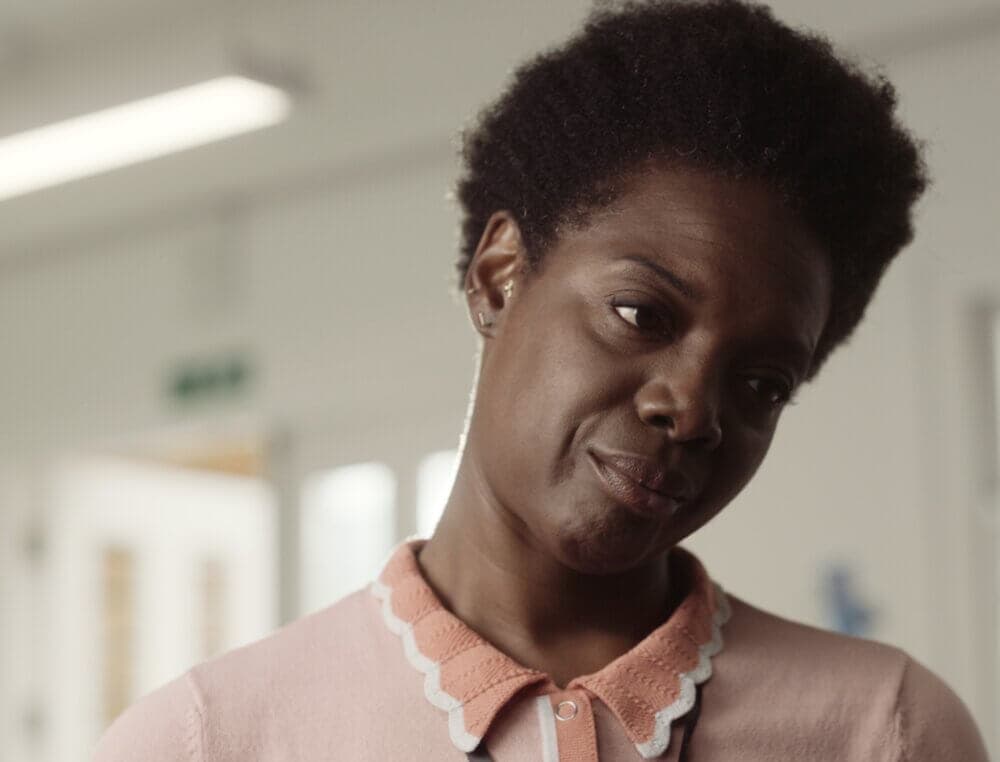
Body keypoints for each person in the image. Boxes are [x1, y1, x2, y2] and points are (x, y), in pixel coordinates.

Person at [95, 1, 990, 760]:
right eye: (643, 314)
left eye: (761, 384)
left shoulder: (886, 730)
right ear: (499, 276)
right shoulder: (207, 739)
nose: (690, 408)